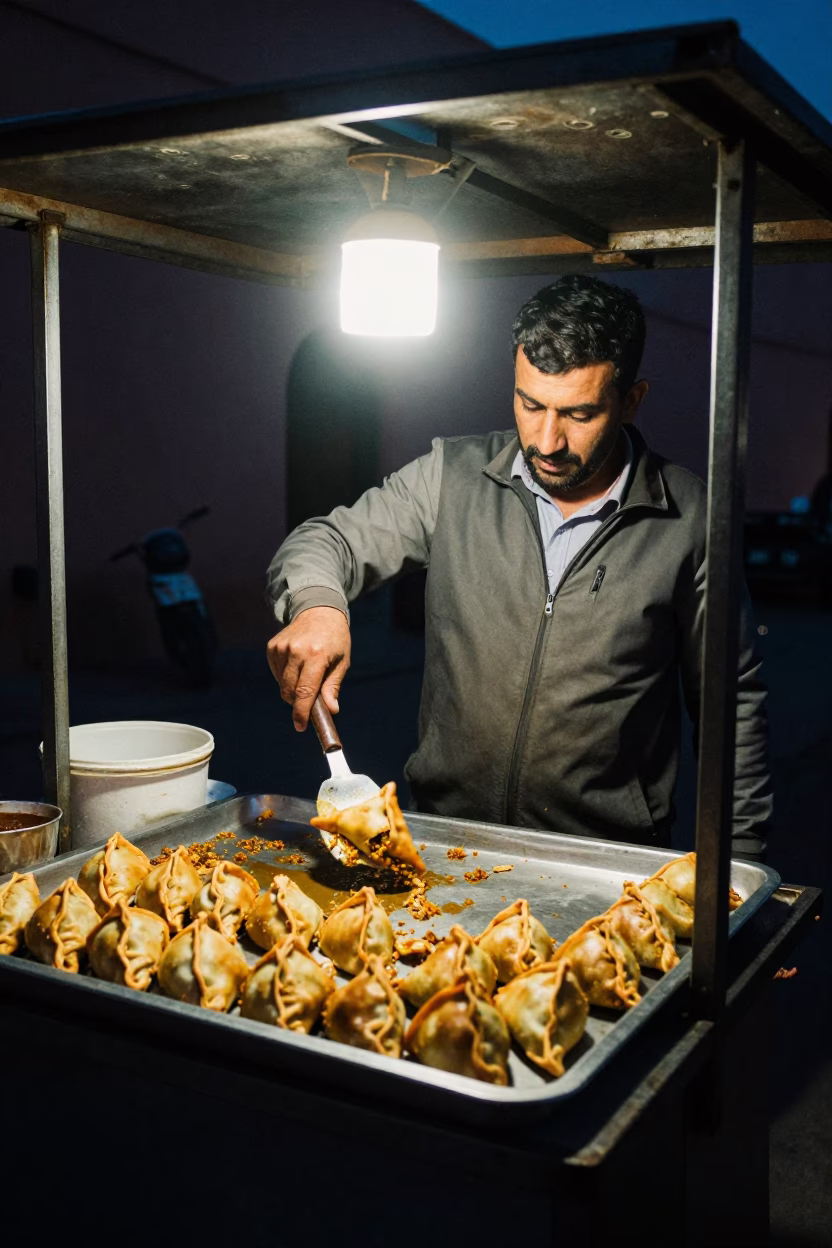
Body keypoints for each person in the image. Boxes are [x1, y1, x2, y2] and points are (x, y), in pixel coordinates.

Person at [266, 275, 772, 858]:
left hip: (609, 862)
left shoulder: (690, 518)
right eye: (530, 404)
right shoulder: (450, 477)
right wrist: (319, 606)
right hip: (446, 845)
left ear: (632, 400)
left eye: (579, 414)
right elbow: (326, 541)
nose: (548, 440)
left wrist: (743, 867)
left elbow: (730, 705)